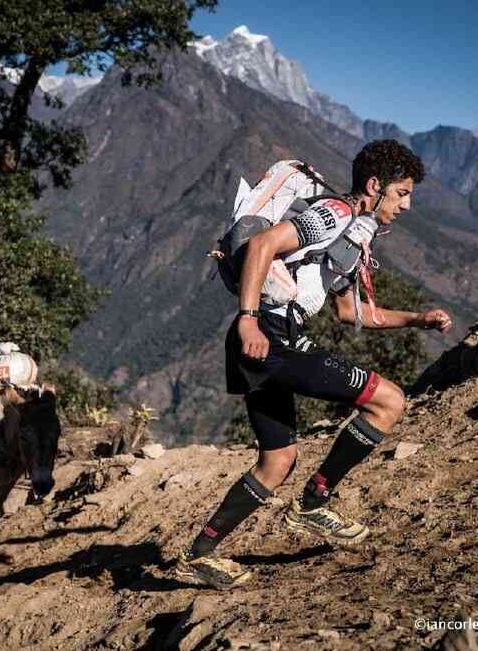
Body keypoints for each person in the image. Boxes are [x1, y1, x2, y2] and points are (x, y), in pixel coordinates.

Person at [176, 140, 452, 589]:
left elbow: (355, 313)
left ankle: (197, 555)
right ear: (375, 186)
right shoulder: (336, 214)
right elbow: (263, 244)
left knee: (278, 460)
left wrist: (417, 319)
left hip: (264, 339)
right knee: (388, 401)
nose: (407, 205)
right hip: (271, 334)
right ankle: (314, 501)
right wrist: (248, 320)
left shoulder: (351, 237)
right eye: (402, 193)